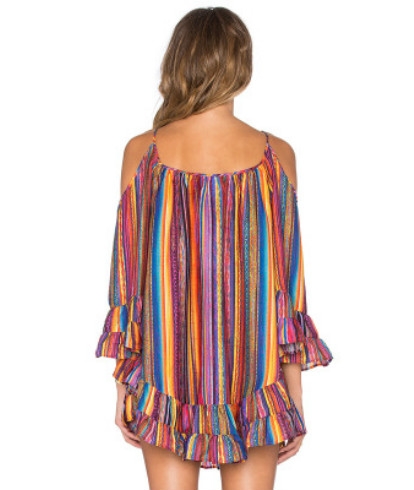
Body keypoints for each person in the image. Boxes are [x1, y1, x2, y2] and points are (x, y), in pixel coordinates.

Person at [95, 6, 333, 490]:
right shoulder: (276, 156)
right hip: (256, 380)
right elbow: (287, 288)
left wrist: (124, 381)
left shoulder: (143, 152)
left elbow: (128, 280)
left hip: (164, 378)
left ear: (178, 62)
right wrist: (294, 397)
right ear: (241, 66)